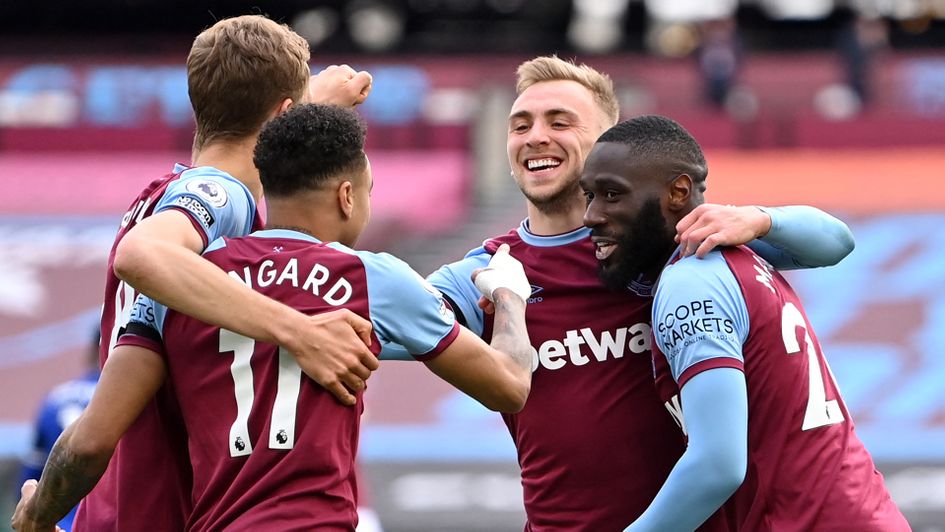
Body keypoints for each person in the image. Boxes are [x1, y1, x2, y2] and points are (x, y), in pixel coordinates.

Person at [12, 103, 534, 532]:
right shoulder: (371, 280)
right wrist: (509, 295)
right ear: (347, 196)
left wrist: (36, 515)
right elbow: (508, 386)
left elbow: (89, 442)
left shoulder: (179, 288)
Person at [422, 56, 857, 530]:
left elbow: (836, 243)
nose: (535, 136)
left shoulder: (674, 242)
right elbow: (379, 321)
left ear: (608, 141)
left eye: (559, 121)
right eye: (520, 125)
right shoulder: (490, 272)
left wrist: (760, 217)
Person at [68, 15, 378, 532]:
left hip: (110, 509)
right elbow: (142, 257)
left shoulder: (156, 196)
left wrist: (39, 510)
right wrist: (297, 330)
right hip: (166, 509)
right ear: (283, 114)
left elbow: (96, 433)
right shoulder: (222, 198)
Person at [580, 114, 909, 531]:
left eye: (611, 195)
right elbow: (837, 242)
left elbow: (717, 466)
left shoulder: (691, 282)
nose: (591, 215)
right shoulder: (740, 255)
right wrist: (762, 219)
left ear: (678, 192)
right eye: (589, 195)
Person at [18, 330, 100, 532]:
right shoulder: (130, 398)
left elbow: (31, 474)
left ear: (91, 351)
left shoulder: (54, 397)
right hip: (104, 521)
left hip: (54, 523)